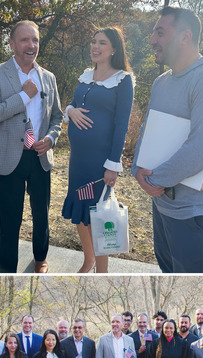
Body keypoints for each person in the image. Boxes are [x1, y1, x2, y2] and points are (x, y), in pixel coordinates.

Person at [0, 20, 63, 274]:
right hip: (9, 158)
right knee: (10, 221)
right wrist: (23, 96)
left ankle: (41, 259)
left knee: (41, 215)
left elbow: (57, 117)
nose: (31, 45)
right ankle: (7, 272)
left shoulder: (48, 77)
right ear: (12, 44)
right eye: (25, 40)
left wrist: (50, 138)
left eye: (35, 40)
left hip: (39, 156)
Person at [131, 6, 203, 273]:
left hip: (191, 215)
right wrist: (137, 170)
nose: (152, 40)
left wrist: (154, 179)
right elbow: (146, 129)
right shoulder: (161, 82)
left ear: (185, 37)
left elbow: (201, 148)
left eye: (160, 33)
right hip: (160, 207)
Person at [62, 27, 134, 273]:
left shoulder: (123, 80)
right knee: (81, 210)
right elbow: (73, 104)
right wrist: (69, 112)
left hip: (99, 162)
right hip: (78, 160)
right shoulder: (85, 76)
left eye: (102, 42)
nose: (95, 46)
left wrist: (113, 165)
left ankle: (101, 270)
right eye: (93, 41)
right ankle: (88, 259)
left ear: (114, 48)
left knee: (99, 215)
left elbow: (121, 125)